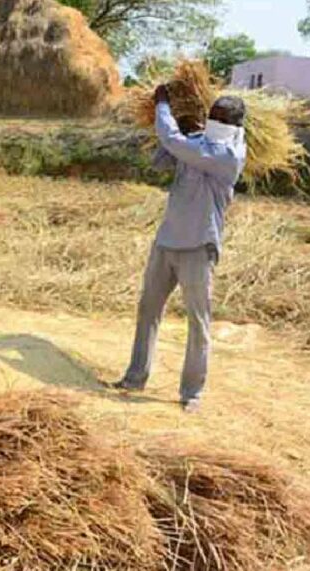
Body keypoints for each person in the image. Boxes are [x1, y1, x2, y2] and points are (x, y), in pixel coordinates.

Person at [112, 86, 247, 413]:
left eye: (222, 118)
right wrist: (182, 129)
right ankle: (134, 377)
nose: (215, 121)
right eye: (213, 115)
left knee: (198, 322)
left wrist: (163, 107)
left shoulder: (229, 156)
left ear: (236, 124)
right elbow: (162, 160)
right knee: (148, 310)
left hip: (198, 246)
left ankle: (192, 393)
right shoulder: (197, 143)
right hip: (167, 241)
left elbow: (172, 141)